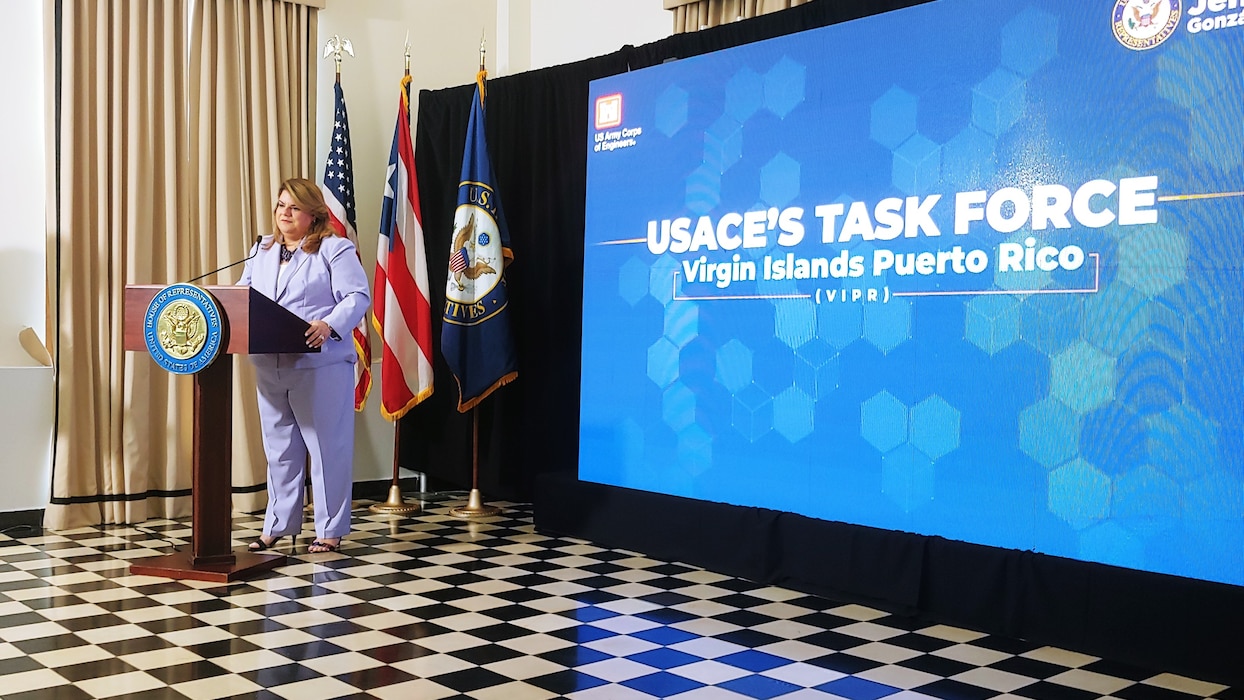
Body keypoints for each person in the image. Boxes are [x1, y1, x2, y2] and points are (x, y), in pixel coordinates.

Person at [238, 177, 370, 554]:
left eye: (293, 207)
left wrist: (329, 324)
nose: (284, 213)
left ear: (313, 215)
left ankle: (329, 530)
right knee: (280, 450)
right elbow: (243, 294)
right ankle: (278, 525)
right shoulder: (261, 250)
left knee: (326, 449)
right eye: (280, 205)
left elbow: (357, 296)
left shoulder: (334, 249)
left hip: (320, 363)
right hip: (270, 362)